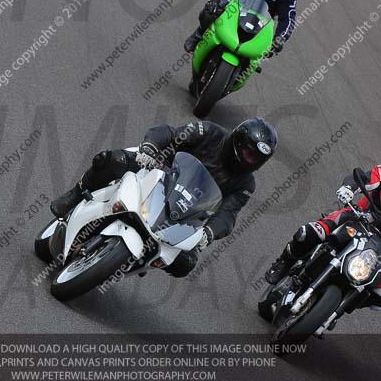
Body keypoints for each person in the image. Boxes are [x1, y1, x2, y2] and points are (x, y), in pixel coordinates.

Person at [51, 117, 277, 277]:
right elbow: (169, 133)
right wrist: (150, 148)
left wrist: (209, 233)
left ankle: (136, 261)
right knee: (111, 160)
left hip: (186, 213)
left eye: (256, 159)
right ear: (238, 141)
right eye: (249, 152)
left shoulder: (246, 184)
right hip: (158, 171)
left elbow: (228, 214)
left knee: (186, 263)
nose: (250, 160)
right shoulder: (209, 132)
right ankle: (75, 194)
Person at [265, 164, 381, 285]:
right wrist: (349, 188)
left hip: (378, 246)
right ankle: (285, 262)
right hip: (360, 218)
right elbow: (367, 178)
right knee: (310, 232)